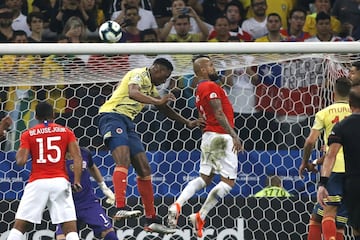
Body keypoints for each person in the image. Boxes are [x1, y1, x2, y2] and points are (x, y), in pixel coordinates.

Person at [97, 58, 200, 234]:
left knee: (144, 169)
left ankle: (151, 219)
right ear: (157, 69)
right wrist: (159, 101)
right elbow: (133, 93)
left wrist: (187, 122)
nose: (164, 81)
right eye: (164, 77)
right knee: (123, 159)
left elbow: (164, 108)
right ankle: (118, 208)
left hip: (127, 122)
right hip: (112, 116)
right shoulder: (138, 74)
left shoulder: (151, 89)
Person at [167, 55, 242, 237]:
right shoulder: (210, 86)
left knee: (205, 178)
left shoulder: (199, 88)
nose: (213, 68)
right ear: (202, 70)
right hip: (221, 137)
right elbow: (217, 112)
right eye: (210, 65)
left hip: (208, 136)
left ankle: (178, 204)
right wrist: (234, 135)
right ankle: (201, 215)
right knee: (228, 182)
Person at [6, 102, 83, 240]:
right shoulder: (66, 132)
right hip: (60, 182)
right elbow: (77, 157)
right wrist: (77, 180)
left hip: (37, 182)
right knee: (70, 228)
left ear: (35, 116)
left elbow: (20, 161)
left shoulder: (28, 134)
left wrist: (23, 145)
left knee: (20, 226)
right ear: (53, 115)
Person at [299, 77, 352, 240]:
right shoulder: (355, 113)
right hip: (353, 169)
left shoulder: (324, 113)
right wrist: (315, 162)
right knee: (338, 221)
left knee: (328, 212)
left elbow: (310, 141)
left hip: (333, 168)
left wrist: (305, 162)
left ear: (334, 93)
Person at [317, 84, 360, 240]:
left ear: (351, 104)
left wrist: (322, 183)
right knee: (342, 220)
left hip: (345, 175)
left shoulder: (341, 126)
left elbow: (329, 154)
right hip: (348, 176)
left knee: (328, 212)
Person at [55, 147, 117, 240]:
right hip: (66, 204)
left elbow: (92, 167)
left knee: (109, 234)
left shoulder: (84, 153)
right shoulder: (55, 156)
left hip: (88, 202)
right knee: (62, 238)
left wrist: (103, 187)